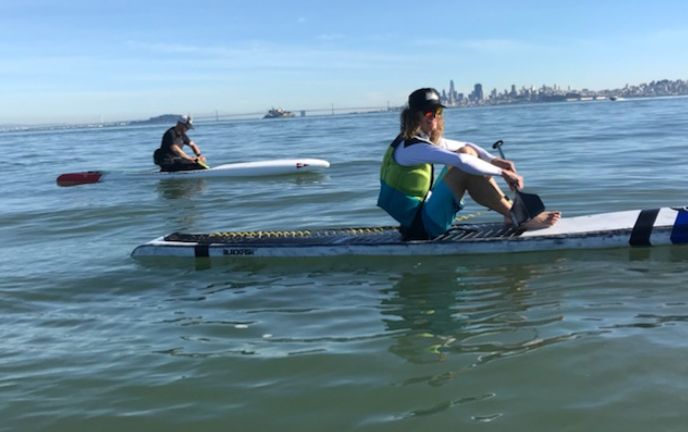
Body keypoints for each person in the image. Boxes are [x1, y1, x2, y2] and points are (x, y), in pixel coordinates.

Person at [377, 87, 560, 240]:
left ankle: (511, 215)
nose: (433, 117)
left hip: (422, 214)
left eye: (437, 112)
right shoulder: (411, 148)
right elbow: (461, 162)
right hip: (421, 227)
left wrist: (493, 160)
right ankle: (517, 216)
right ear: (413, 116)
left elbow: (466, 147)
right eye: (428, 113)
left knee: (468, 152)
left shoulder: (421, 140)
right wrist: (503, 173)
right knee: (464, 167)